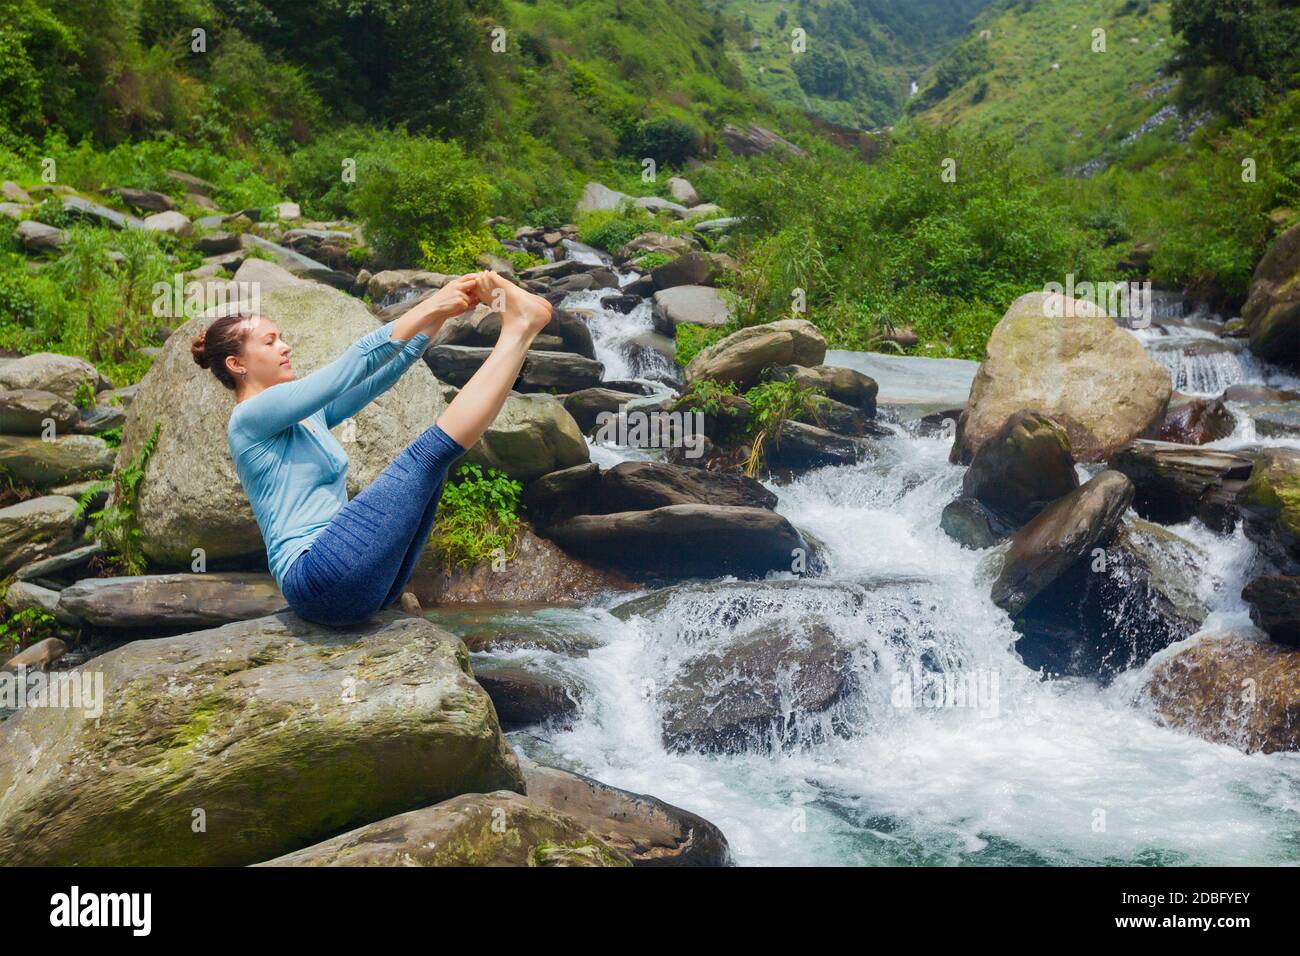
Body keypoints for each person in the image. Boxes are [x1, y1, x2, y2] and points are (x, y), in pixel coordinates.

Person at [190, 270, 553, 626]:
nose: (285, 346)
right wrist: (431, 304)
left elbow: (383, 373)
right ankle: (519, 329)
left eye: (281, 338)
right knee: (428, 456)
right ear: (237, 364)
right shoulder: (248, 418)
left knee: (434, 470)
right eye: (269, 342)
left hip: (360, 583)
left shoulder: (306, 417)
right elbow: (356, 361)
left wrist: (444, 311)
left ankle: (521, 329)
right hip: (315, 576)